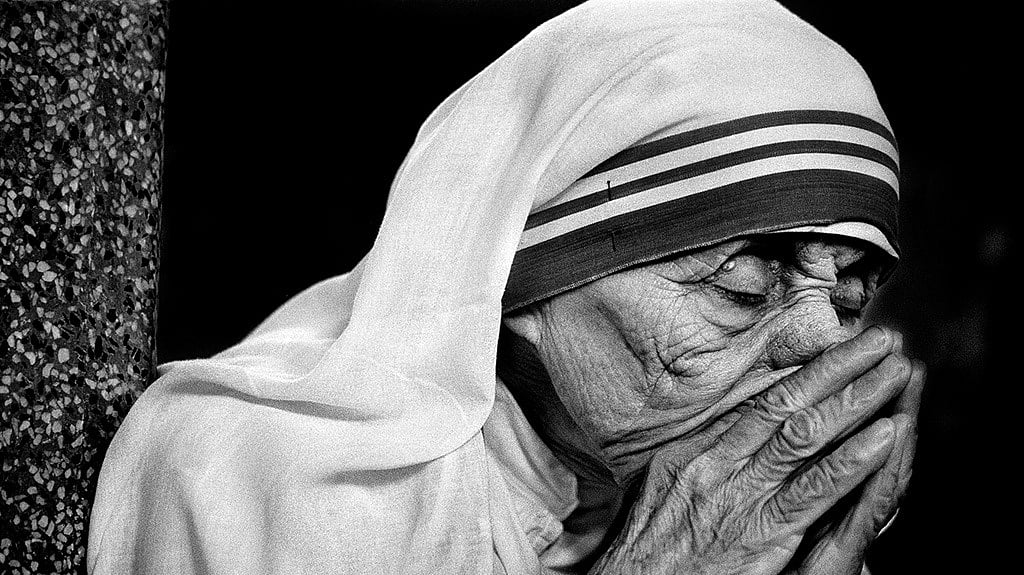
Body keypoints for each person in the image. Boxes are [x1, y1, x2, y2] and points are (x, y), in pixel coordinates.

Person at [88, 0, 924, 573]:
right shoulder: (276, 479)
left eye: (850, 292)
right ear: (525, 283)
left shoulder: (727, 524)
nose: (827, 343)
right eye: (742, 286)